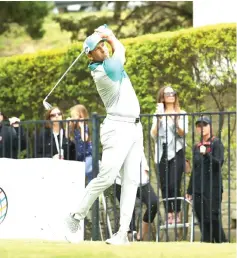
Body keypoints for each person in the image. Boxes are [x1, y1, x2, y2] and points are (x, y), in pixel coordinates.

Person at [65, 25, 143, 245]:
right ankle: (75, 216)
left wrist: (108, 38)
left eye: (103, 46)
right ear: (89, 55)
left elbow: (119, 49)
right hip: (117, 128)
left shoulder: (108, 63)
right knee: (107, 177)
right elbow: (122, 52)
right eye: (98, 49)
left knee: (131, 180)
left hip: (135, 128)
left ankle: (122, 234)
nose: (104, 49)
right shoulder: (102, 71)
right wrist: (110, 36)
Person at [150, 86, 188, 224]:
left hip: (177, 151)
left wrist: (176, 121)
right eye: (168, 93)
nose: (171, 95)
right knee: (165, 185)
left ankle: (177, 212)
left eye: (173, 93)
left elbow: (183, 133)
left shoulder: (181, 113)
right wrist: (159, 119)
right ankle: (169, 214)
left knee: (174, 184)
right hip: (162, 152)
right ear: (162, 97)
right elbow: (153, 135)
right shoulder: (158, 114)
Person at [186, 116, 227, 243]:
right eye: (199, 126)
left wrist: (207, 154)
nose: (202, 128)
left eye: (204, 125)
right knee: (202, 218)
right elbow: (195, 170)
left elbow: (218, 164)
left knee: (213, 217)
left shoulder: (216, 143)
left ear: (210, 126)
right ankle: (207, 242)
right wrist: (190, 190)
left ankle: (222, 242)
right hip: (198, 188)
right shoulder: (196, 146)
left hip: (212, 188)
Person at [115, 151, 158, 241]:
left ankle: (140, 235)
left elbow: (140, 151)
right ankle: (131, 236)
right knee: (128, 209)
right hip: (121, 181)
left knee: (153, 203)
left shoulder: (136, 138)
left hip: (141, 179)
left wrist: (145, 169)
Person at [67, 104, 93, 182]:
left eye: (74, 115)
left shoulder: (85, 126)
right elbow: (67, 136)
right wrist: (67, 125)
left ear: (81, 116)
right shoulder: (74, 127)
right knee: (80, 175)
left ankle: (94, 191)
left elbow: (84, 138)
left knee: (87, 172)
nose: (73, 117)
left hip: (88, 154)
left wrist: (81, 127)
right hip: (79, 155)